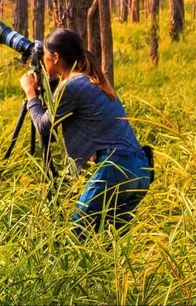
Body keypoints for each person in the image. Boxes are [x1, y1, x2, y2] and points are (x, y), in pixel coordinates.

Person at [19, 28, 152, 236]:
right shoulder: (90, 79)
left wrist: (30, 94)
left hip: (116, 168)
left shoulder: (71, 85)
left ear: (55, 57)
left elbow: (44, 126)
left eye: (45, 53)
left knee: (76, 237)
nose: (42, 58)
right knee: (109, 243)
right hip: (140, 170)